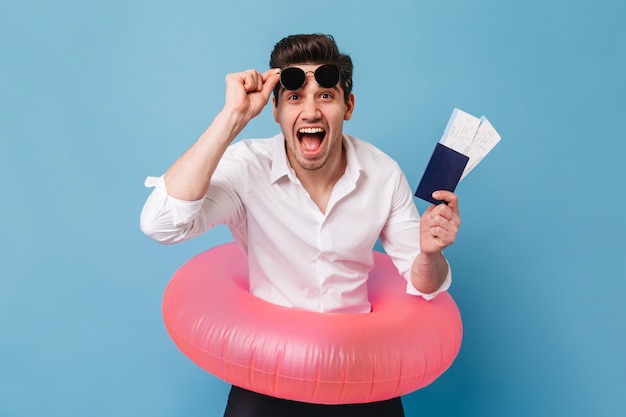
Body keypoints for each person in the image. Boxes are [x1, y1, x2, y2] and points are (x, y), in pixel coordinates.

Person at [140, 33, 461, 417]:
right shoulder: (247, 168)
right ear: (275, 111)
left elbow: (425, 283)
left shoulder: (382, 173)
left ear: (348, 106)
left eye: (325, 95)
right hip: (267, 376)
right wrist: (232, 118)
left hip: (359, 372)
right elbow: (161, 225)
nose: (310, 112)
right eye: (295, 97)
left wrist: (430, 252)